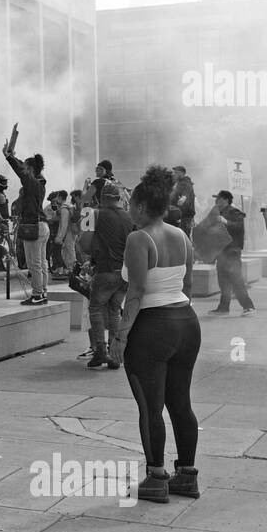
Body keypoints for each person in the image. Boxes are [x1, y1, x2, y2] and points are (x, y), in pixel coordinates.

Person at [108, 166, 200, 503]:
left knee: (150, 408)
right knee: (180, 404)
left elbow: (135, 293)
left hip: (152, 327)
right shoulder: (182, 236)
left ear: (143, 208)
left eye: (132, 204)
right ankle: (187, 475)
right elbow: (187, 285)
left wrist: (119, 339)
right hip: (186, 322)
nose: (129, 208)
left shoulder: (139, 238)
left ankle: (156, 476)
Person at [87, 181, 134, 370]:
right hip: (124, 272)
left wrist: (91, 256)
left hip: (105, 269)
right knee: (114, 309)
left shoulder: (94, 214)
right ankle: (115, 354)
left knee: (96, 308)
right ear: (119, 198)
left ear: (103, 198)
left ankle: (100, 350)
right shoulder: (130, 217)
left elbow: (84, 243)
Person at [3, 147, 49, 305]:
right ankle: (42, 292)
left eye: (26, 168)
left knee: (33, 264)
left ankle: (36, 294)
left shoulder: (32, 183)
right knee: (42, 263)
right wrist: (14, 157)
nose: (23, 170)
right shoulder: (39, 182)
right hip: (42, 225)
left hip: (33, 225)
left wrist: (9, 158)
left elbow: (21, 172)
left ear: (30, 170)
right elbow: (24, 168)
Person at [204, 190, 255, 316]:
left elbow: (239, 227)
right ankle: (223, 307)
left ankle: (248, 306)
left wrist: (226, 221)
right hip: (222, 251)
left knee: (236, 279)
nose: (216, 201)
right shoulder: (218, 213)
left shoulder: (234, 212)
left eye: (219, 199)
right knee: (223, 281)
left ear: (226, 200)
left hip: (232, 250)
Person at [170, 166, 196, 237]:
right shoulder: (178, 183)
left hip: (186, 215)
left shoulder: (186, 181)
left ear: (182, 173)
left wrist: (183, 198)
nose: (174, 174)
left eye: (176, 173)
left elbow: (187, 190)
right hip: (180, 215)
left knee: (184, 236)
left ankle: (188, 247)